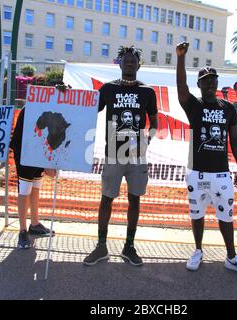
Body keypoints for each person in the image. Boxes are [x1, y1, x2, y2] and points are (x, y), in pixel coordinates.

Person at [176, 42, 237, 276]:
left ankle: (231, 257)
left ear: (217, 84)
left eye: (213, 80)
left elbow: (234, 140)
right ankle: (198, 250)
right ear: (199, 85)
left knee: (225, 215)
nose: (210, 83)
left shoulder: (228, 108)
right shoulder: (193, 105)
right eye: (206, 80)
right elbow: (181, 87)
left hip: (221, 174)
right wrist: (181, 58)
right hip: (196, 172)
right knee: (197, 214)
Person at [83, 46, 158, 266]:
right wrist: (65, 94)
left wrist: (148, 139)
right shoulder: (108, 89)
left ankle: (129, 246)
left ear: (139, 65)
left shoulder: (147, 92)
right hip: (114, 153)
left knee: (134, 199)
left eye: (133, 61)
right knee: (106, 198)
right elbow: (85, 108)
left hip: (137, 155)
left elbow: (154, 123)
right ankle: (101, 246)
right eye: (126, 61)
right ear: (119, 63)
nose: (129, 64)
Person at [10, 105, 57, 249]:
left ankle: (34, 224)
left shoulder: (53, 108)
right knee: (25, 190)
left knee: (36, 186)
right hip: (25, 151)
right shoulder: (30, 108)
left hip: (40, 152)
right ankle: (22, 231)